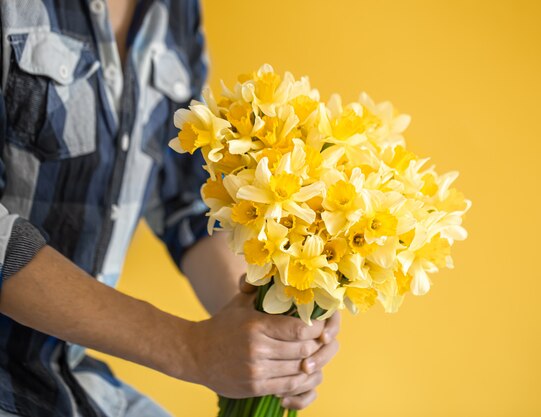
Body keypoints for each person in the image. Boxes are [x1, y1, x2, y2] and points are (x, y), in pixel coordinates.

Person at [0, 1, 341, 416]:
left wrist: (267, 342)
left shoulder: (177, 13)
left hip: (64, 375)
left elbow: (185, 200)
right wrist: (193, 349)